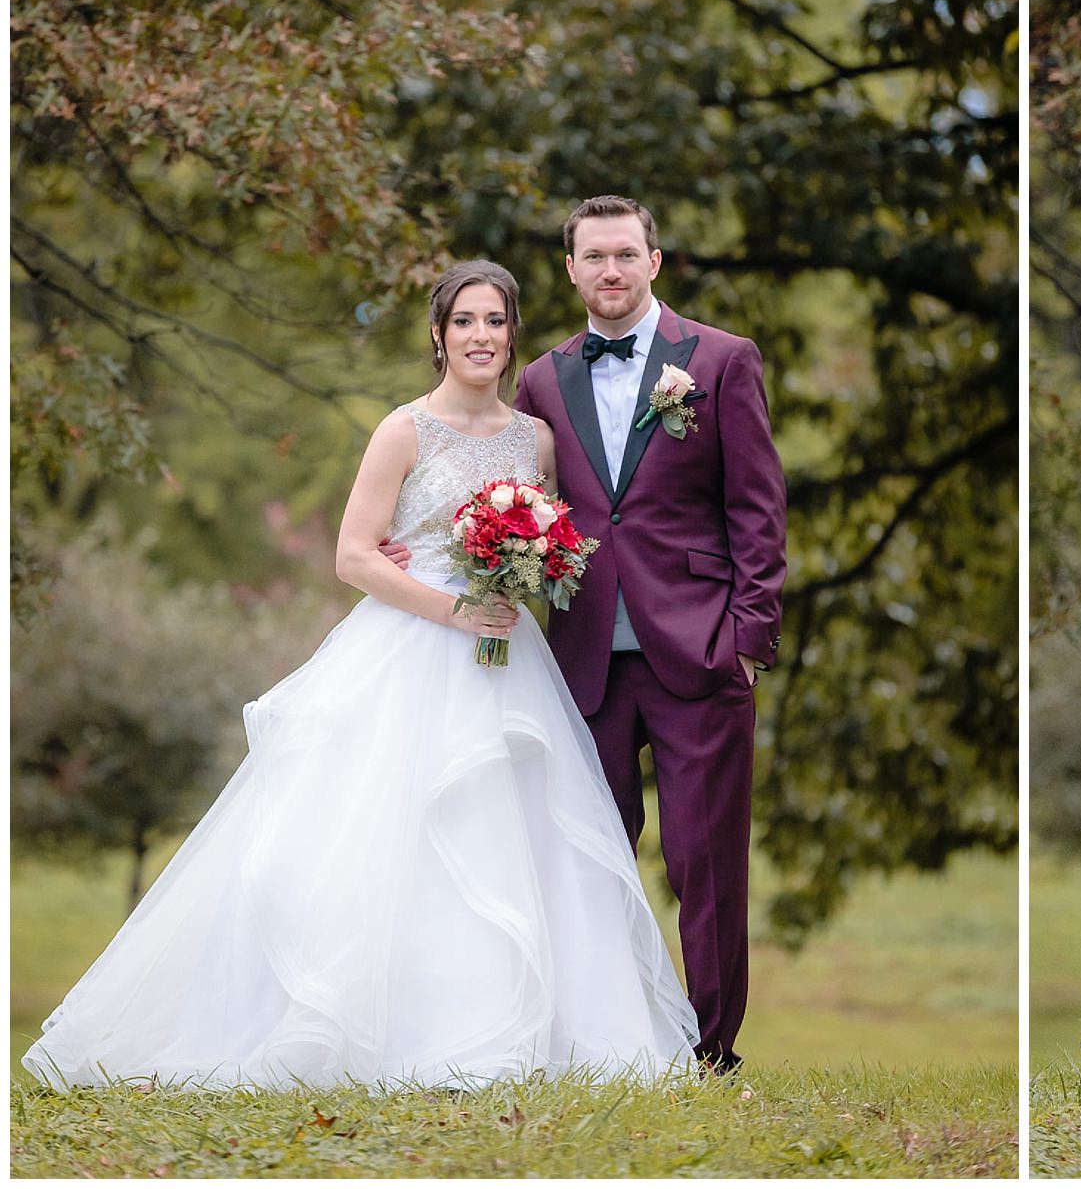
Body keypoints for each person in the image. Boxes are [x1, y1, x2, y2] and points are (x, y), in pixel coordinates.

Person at [23, 261, 697, 1091]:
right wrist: (451, 609)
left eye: (494, 322)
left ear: (512, 333)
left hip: (509, 655)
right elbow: (352, 556)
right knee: (388, 834)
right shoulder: (403, 430)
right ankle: (381, 1029)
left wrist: (519, 583)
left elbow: (552, 543)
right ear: (439, 336)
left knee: (512, 834)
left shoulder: (537, 440)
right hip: (412, 650)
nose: (479, 337)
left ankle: (511, 1027)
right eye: (463, 322)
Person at [504, 196, 785, 1074]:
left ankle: (710, 1051)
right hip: (584, 663)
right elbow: (519, 507)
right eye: (594, 257)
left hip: (698, 650)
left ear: (655, 262)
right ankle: (601, 1043)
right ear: (572, 270)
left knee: (706, 865)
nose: (612, 271)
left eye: (627, 253)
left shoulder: (721, 361)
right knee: (589, 857)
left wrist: (749, 634)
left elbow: (758, 509)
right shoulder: (543, 380)